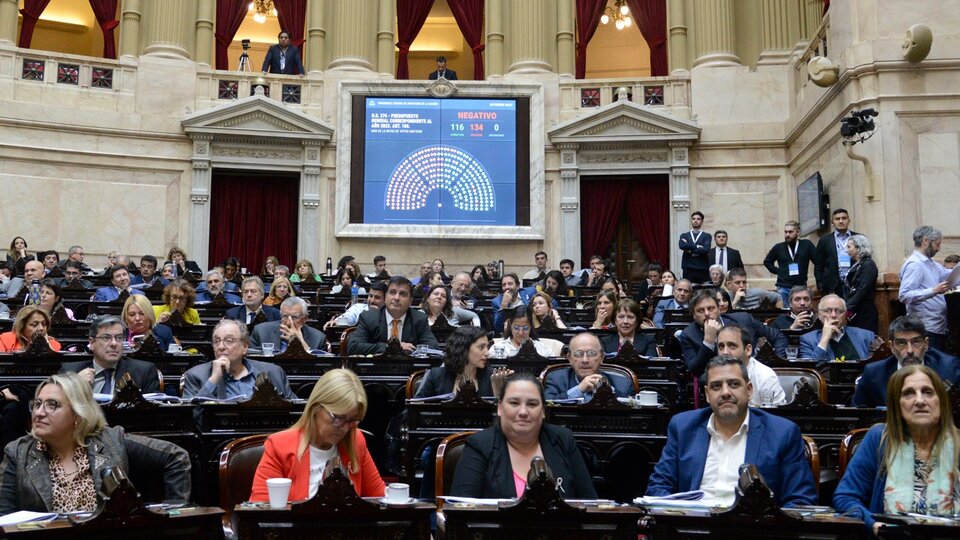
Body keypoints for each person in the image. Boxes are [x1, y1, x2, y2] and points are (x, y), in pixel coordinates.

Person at [0, 372, 191, 514]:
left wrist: (172, 514)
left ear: (77, 413)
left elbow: (176, 457)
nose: (39, 412)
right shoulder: (18, 452)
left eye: (52, 405)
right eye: (37, 404)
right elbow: (4, 518)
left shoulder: (111, 441)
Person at [645, 355, 816, 507]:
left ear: (749, 390)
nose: (725, 392)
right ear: (707, 394)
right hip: (694, 527)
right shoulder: (683, 427)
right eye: (716, 386)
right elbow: (659, 487)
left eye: (734, 384)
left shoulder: (782, 433)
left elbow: (800, 501)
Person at [834, 365, 960, 536]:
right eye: (908, 393)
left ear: (941, 401)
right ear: (896, 405)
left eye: (928, 392)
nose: (920, 400)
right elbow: (845, 498)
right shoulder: (879, 439)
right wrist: (873, 524)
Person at [450, 372, 596, 499]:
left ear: (543, 411)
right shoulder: (479, 445)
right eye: (514, 403)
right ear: (500, 407)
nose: (523, 412)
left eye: (532, 404)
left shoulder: (563, 439)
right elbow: (463, 511)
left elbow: (589, 502)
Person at [250, 369, 383, 502]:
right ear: (316, 408)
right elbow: (261, 511)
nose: (344, 429)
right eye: (338, 418)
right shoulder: (279, 447)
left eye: (352, 420)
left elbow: (379, 498)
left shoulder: (355, 440)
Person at [852, 316, 960, 407]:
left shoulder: (948, 368)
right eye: (901, 343)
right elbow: (857, 415)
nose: (910, 351)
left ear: (926, 344)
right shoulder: (874, 374)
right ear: (892, 346)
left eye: (916, 342)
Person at [678, 290, 787, 377]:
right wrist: (708, 342)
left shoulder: (744, 319)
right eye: (700, 310)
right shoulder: (688, 335)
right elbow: (696, 371)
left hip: (753, 374)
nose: (707, 314)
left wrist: (777, 363)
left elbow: (778, 336)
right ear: (693, 315)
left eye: (710, 308)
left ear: (718, 309)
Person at [183, 319, 296, 400]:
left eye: (229, 340)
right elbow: (192, 417)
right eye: (216, 341)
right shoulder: (196, 375)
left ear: (245, 347)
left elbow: (296, 409)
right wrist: (213, 379)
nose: (221, 347)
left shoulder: (274, 372)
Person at [60, 316, 161, 395]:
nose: (114, 343)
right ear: (92, 343)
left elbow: (152, 415)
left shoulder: (144, 371)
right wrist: (75, 385)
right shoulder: (70, 372)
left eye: (119, 338)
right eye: (106, 337)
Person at [346, 276, 439, 355]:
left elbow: (433, 348)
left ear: (410, 301)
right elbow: (353, 346)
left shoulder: (419, 319)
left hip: (408, 370)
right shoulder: (369, 318)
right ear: (386, 297)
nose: (396, 298)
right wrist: (390, 347)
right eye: (392, 292)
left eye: (402, 294)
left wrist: (414, 350)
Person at [898, 225, 951, 351]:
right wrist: (933, 291)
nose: (939, 249)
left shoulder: (931, 263)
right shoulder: (914, 264)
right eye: (937, 244)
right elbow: (904, 295)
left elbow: (949, 275)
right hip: (926, 328)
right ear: (925, 241)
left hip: (938, 326)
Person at [545, 333, 633, 402]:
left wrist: (608, 390)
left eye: (591, 353)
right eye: (578, 354)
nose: (585, 360)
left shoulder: (623, 384)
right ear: (570, 359)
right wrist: (579, 390)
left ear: (602, 357)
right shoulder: (556, 380)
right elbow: (547, 405)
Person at [416, 326, 497, 398]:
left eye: (487, 347)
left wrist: (497, 389)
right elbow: (414, 408)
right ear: (464, 348)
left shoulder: (493, 376)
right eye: (481, 347)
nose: (487, 353)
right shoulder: (436, 376)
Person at [716, 324, 786, 407]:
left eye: (732, 346)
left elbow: (776, 417)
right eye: (721, 346)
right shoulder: (715, 375)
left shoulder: (766, 377)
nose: (725, 352)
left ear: (748, 350)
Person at [799, 294, 875, 362]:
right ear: (819, 315)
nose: (834, 315)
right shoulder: (808, 340)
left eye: (839, 311)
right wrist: (824, 339)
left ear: (845, 315)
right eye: (827, 311)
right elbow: (812, 371)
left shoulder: (866, 336)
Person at [764, 220, 817, 305]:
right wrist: (779, 271)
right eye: (785, 232)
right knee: (785, 311)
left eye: (790, 232)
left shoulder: (807, 245)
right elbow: (767, 262)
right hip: (783, 287)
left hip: (801, 287)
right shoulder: (778, 247)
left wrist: (818, 281)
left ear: (798, 232)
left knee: (801, 310)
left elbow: (818, 262)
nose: (787, 234)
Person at [251, 297, 327, 352]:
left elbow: (318, 367)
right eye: (285, 316)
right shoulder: (261, 332)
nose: (288, 322)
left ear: (305, 318)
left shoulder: (318, 338)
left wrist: (300, 342)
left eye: (294, 317)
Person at [814, 208, 856, 296]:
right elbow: (818, 264)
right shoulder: (825, 240)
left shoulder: (858, 237)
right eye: (837, 219)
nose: (841, 221)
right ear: (832, 222)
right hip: (833, 286)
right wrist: (820, 285)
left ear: (849, 221)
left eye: (844, 218)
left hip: (854, 283)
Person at [843, 234, 879, 333]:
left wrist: (848, 307)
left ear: (858, 247)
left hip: (864, 311)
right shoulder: (856, 264)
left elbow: (863, 289)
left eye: (849, 247)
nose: (847, 250)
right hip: (855, 309)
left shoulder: (868, 264)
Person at [679, 211, 712, 283]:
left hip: (702, 268)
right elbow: (682, 246)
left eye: (698, 219)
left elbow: (706, 249)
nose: (695, 221)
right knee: (688, 290)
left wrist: (689, 249)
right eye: (694, 219)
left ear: (702, 221)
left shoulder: (707, 236)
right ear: (691, 220)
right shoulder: (684, 235)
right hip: (688, 268)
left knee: (703, 292)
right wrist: (697, 246)